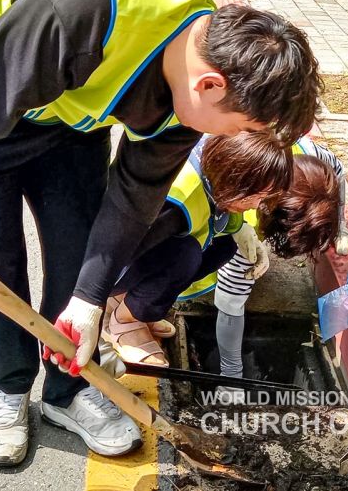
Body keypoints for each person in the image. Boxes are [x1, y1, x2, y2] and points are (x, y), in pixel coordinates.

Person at [0, 0, 320, 467]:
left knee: (80, 242)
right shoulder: (78, 10)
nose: (234, 139)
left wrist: (90, 299)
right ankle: (4, 387)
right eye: (241, 127)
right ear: (211, 86)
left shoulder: (204, 78)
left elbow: (135, 195)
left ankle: (67, 388)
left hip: (65, 106)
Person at [101, 131, 293, 367]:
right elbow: (115, 250)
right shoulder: (176, 198)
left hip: (137, 257)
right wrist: (90, 300)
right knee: (184, 255)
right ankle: (126, 321)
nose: (255, 206)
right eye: (254, 196)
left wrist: (240, 228)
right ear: (235, 176)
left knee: (224, 246)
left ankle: (124, 302)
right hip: (106, 265)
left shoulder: (215, 172)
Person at [213, 137, 348, 379]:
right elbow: (229, 306)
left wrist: (340, 227)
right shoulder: (244, 208)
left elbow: (339, 169)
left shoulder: (313, 158)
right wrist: (231, 375)